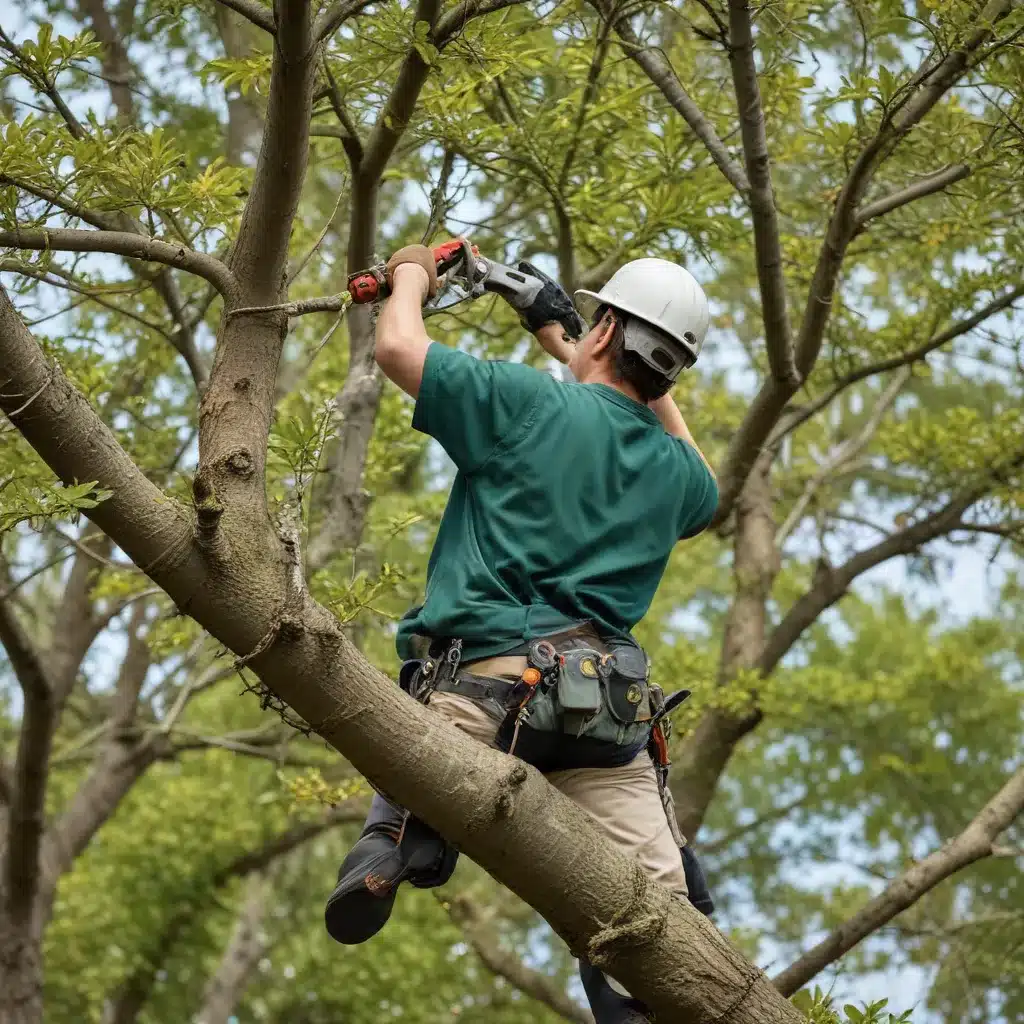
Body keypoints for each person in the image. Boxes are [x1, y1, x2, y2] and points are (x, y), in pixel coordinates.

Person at [324, 244, 719, 1024]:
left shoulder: (524, 403)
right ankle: (644, 1000)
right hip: (605, 729)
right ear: (671, 373)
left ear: (606, 332)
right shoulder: (676, 479)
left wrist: (411, 273)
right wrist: (567, 336)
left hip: (485, 699)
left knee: (418, 770)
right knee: (662, 917)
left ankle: (396, 842)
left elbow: (400, 346)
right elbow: (701, 469)